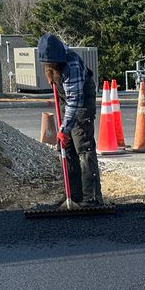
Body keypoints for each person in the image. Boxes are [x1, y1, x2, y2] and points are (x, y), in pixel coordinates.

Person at [36, 33, 103, 206]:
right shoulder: (51, 61)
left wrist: (64, 129)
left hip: (80, 105)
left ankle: (92, 197)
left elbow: (75, 102)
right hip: (67, 104)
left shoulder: (71, 65)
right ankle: (73, 195)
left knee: (83, 147)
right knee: (66, 148)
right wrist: (63, 131)